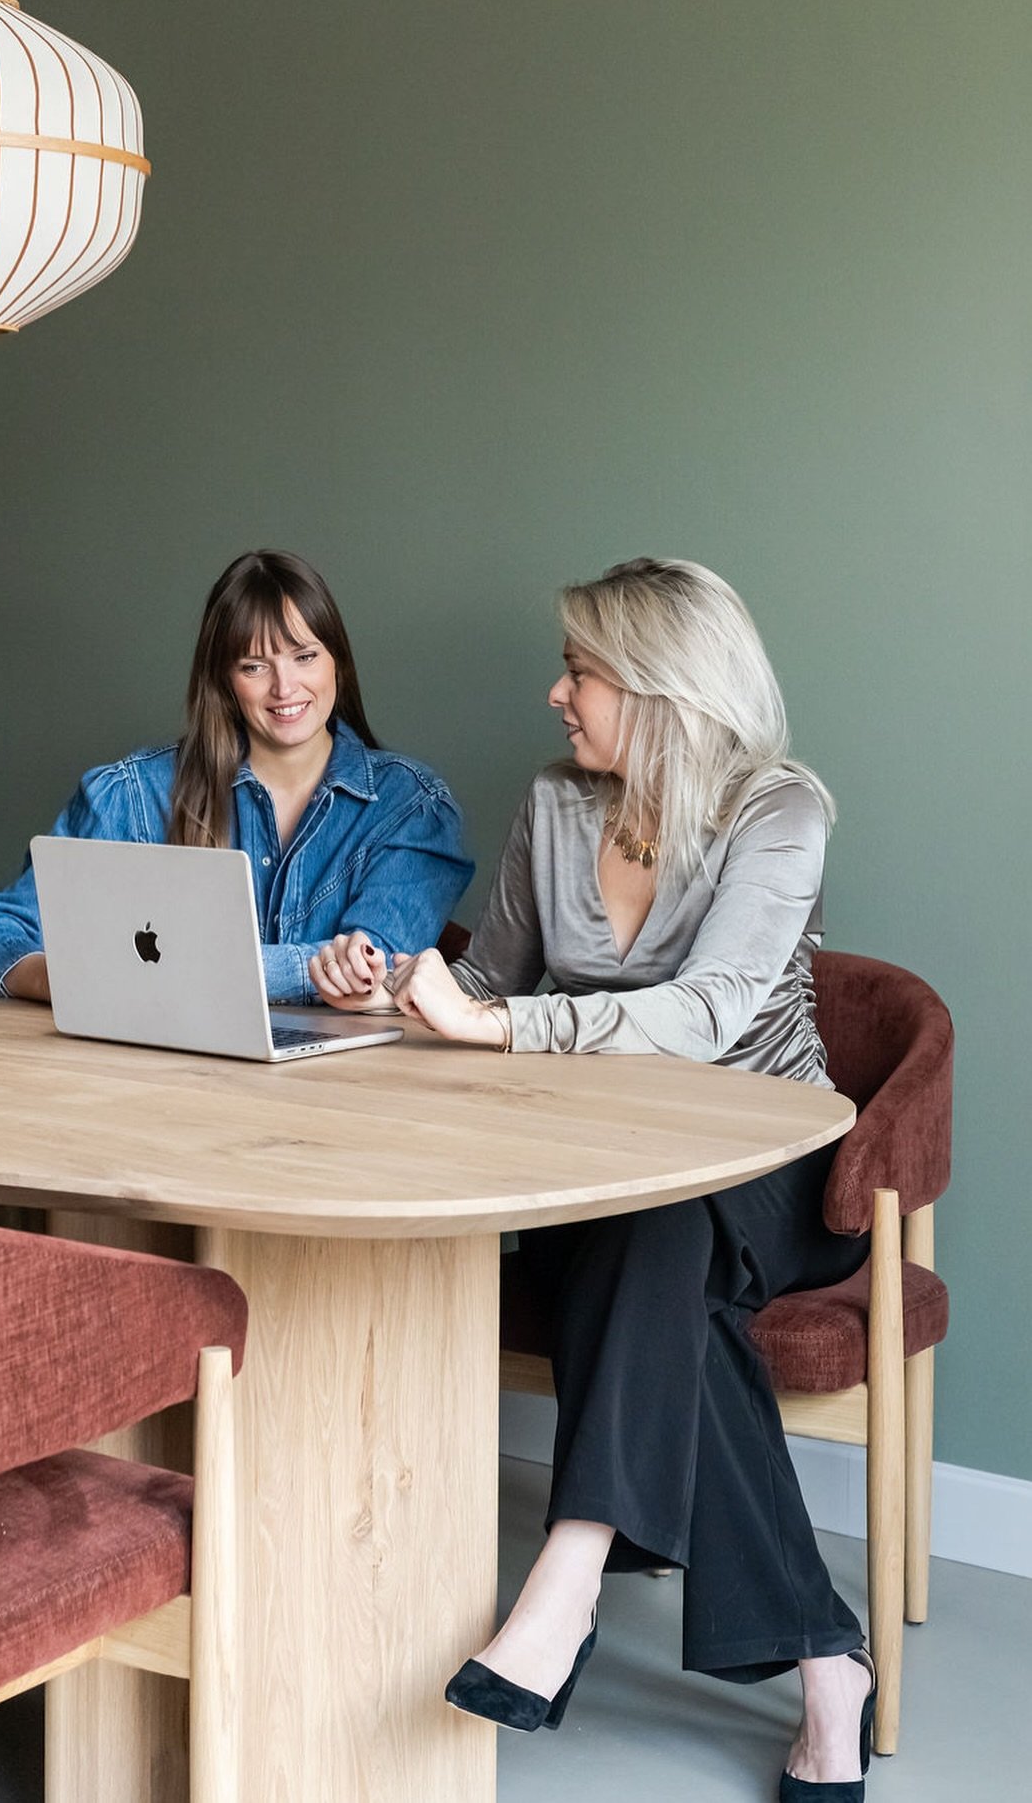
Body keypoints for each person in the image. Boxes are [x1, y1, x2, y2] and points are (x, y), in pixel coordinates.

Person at [310, 557, 876, 1801]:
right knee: (659, 1257)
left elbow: (715, 1009)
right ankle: (827, 1659)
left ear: (663, 687)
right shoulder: (559, 804)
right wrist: (400, 983)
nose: (555, 692)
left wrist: (501, 1029)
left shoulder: (780, 809)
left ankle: (564, 1582)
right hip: (591, 1180)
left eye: (582, 670)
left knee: (667, 1218)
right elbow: (496, 982)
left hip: (765, 1166)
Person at [0, 549, 473, 1003]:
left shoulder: (411, 807)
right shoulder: (131, 795)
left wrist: (150, 971)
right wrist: (72, 980)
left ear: (338, 663)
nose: (284, 687)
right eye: (253, 666)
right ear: (223, 681)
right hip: (150, 1075)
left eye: (305, 656)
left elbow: (369, 973)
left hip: (334, 1093)